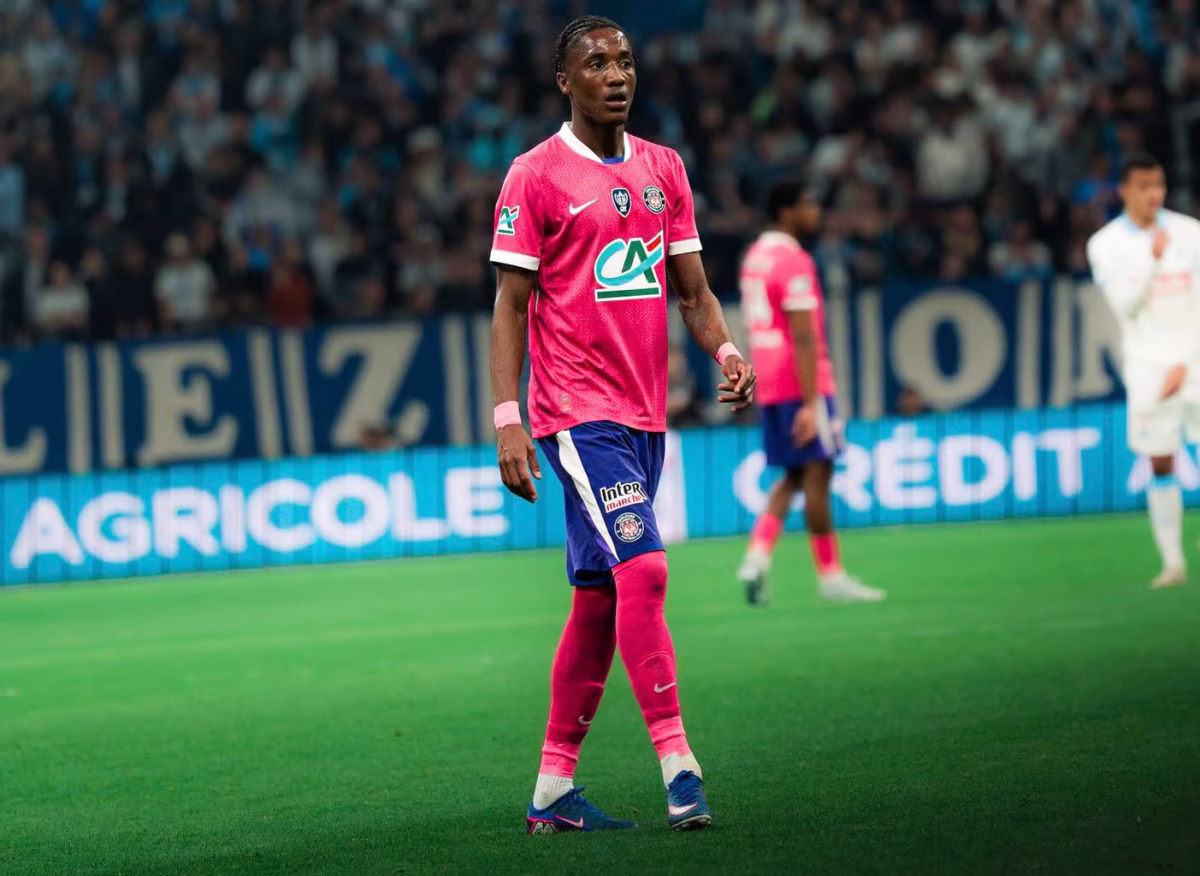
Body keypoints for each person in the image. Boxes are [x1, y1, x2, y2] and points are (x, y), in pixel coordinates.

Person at [488, 15, 756, 834]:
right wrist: (508, 417)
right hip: (575, 414)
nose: (616, 74)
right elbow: (509, 306)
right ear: (564, 80)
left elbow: (693, 294)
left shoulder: (663, 168)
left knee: (600, 599)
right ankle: (679, 766)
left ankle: (551, 790)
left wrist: (725, 349)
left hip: (644, 416)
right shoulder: (534, 175)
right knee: (645, 570)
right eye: (597, 63)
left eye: (626, 61)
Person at [736, 182, 885, 605]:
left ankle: (756, 558)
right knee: (819, 473)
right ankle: (830, 575)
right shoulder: (794, 260)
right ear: (785, 211)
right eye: (807, 203)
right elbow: (804, 336)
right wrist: (810, 402)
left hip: (770, 381)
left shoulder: (754, 258)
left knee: (794, 475)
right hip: (800, 382)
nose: (815, 211)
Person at [1087, 153, 1200, 588]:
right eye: (1144, 187)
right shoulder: (1105, 245)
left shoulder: (1190, 233)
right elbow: (1124, 307)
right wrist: (1153, 262)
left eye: (1159, 185)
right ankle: (1173, 562)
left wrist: (1185, 361)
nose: (1154, 194)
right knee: (1160, 459)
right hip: (1147, 365)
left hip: (1193, 357)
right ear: (1124, 191)